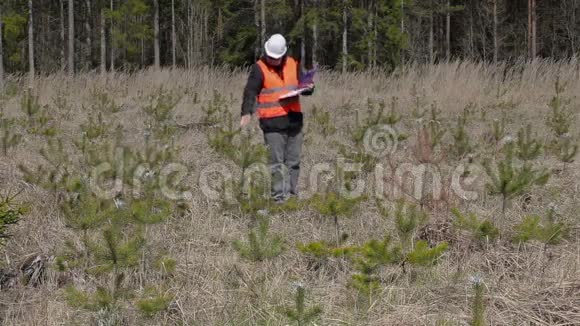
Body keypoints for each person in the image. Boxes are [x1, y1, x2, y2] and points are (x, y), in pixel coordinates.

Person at [240, 34, 314, 203]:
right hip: (272, 124)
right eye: (270, 57)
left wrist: (309, 87)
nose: (273, 60)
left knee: (293, 162)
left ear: (283, 54)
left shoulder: (293, 64)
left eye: (276, 58)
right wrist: (246, 112)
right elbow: (250, 91)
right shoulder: (259, 68)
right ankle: (279, 200)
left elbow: (305, 86)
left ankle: (292, 198)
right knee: (276, 165)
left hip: (294, 121)